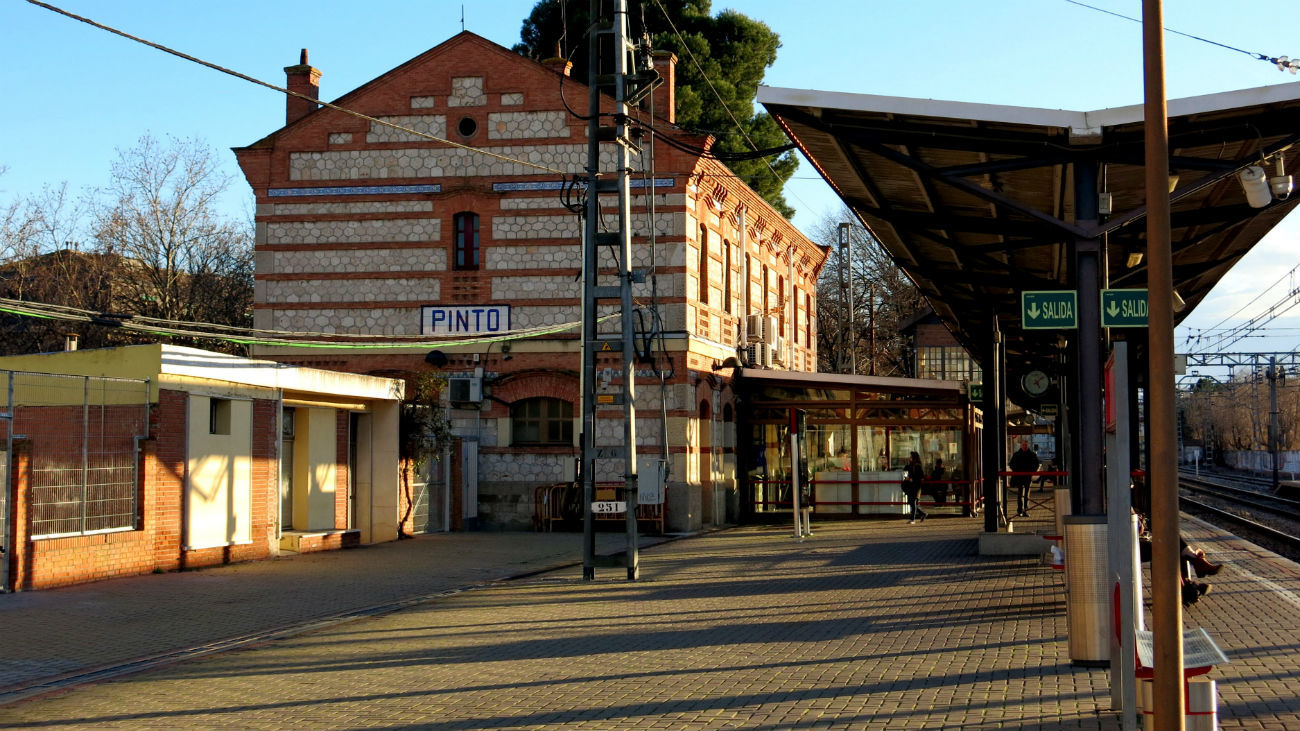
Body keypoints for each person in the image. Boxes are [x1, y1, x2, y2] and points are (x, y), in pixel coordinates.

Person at [1008, 439, 1040, 517]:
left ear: (1027, 445)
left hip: (1026, 477)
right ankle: (1021, 510)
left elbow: (1036, 464)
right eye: (1023, 445)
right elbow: (1011, 464)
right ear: (1021, 445)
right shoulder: (1030, 454)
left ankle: (1024, 510)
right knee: (1021, 494)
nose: (1024, 446)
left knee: (1025, 494)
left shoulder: (1018, 454)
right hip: (1022, 477)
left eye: (1025, 445)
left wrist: (1031, 471)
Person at [903, 451, 926, 524]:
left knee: (913, 502)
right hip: (911, 487)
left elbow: (921, 477)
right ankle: (923, 514)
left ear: (914, 458)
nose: (909, 458)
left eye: (911, 457)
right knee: (911, 502)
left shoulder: (918, 466)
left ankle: (912, 519)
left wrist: (912, 479)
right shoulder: (910, 466)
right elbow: (905, 471)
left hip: (916, 487)